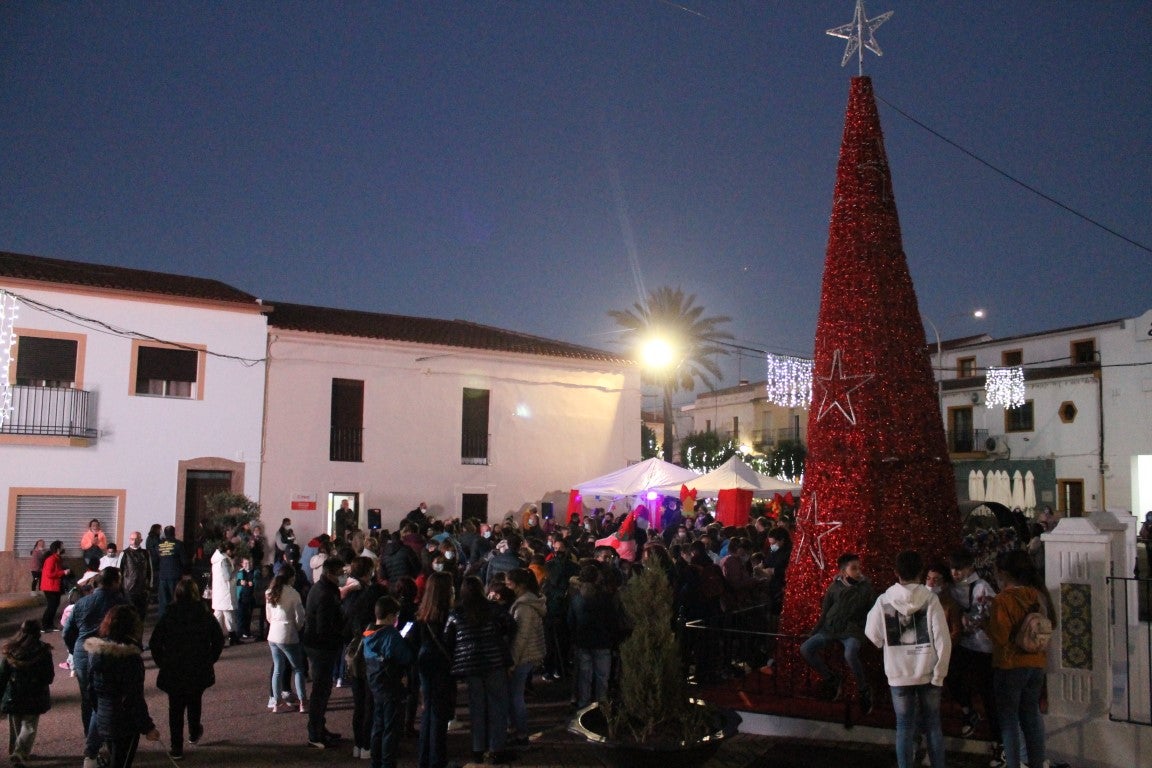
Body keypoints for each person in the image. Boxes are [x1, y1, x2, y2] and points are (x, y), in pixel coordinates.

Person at [865, 550, 952, 768]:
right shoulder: (930, 600)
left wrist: (884, 643)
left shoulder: (884, 600)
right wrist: (940, 672)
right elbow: (943, 638)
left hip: (899, 672)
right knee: (933, 725)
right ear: (921, 572)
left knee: (903, 726)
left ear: (896, 572)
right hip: (928, 671)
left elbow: (872, 634)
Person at [987, 550, 1053, 768]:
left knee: (1009, 722)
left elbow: (1000, 636)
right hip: (1036, 663)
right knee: (1031, 716)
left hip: (1010, 665)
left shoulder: (1004, 599)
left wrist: (984, 623)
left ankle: (1014, 764)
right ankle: (1037, 763)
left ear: (1004, 573)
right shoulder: (1037, 595)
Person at [148, 575, 225, 760]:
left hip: (174, 667)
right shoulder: (204, 613)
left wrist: (162, 662)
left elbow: (154, 642)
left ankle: (176, 747)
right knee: (194, 701)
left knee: (175, 708)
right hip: (197, 665)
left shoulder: (169, 614)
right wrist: (210, 659)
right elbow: (218, 639)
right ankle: (193, 732)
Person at [446, 575, 515, 764]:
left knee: (476, 706)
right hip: (493, 660)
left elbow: (448, 637)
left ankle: (478, 748)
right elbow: (510, 625)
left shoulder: (456, 613)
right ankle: (496, 748)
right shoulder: (493, 609)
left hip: (469, 664)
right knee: (498, 705)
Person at [82, 605, 159, 768]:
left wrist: (99, 710)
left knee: (115, 759)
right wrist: (148, 727)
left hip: (103, 716)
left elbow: (91, 690)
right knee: (122, 762)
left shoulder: (96, 654)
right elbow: (134, 698)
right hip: (124, 723)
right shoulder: (130, 659)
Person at [799, 552, 875, 713]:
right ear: (843, 571)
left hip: (852, 630)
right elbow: (825, 611)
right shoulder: (834, 587)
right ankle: (831, 678)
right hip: (831, 628)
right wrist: (814, 631)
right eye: (854, 568)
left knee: (850, 653)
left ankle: (863, 689)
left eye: (859, 568)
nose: (858, 571)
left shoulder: (865, 587)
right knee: (806, 648)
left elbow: (872, 610)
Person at [64, 567, 127, 734]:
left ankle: (90, 736)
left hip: (82, 652)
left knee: (87, 697)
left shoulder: (82, 602)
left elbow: (67, 632)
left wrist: (74, 649)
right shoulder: (121, 603)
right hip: (109, 653)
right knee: (108, 696)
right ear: (114, 582)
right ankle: (104, 735)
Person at [948, 548, 999, 748]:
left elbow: (979, 617)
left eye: (959, 569)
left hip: (983, 647)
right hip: (962, 644)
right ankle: (969, 711)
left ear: (970, 568)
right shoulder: (952, 588)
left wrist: (962, 621)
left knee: (988, 693)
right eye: (953, 569)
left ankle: (998, 741)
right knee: (952, 677)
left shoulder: (981, 587)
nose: (955, 573)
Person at [342, 556, 388, 759]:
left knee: (359, 702)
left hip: (355, 653)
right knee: (370, 702)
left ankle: (358, 744)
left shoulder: (354, 600)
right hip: (368, 657)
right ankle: (367, 744)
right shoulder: (372, 614)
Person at [363, 596, 416, 768]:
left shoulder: (368, 633)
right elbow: (406, 657)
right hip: (391, 686)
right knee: (391, 729)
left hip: (375, 685)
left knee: (378, 726)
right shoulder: (391, 635)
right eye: (396, 616)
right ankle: (387, 763)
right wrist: (405, 641)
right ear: (390, 616)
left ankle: (375, 762)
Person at [301, 557, 346, 749]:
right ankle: (315, 734)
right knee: (320, 691)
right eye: (340, 573)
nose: (343, 576)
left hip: (318, 645)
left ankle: (320, 728)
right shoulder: (325, 594)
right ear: (329, 573)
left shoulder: (322, 588)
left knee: (323, 691)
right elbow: (324, 626)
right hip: (321, 647)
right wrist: (339, 635)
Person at [414, 571, 455, 768]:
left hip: (424, 663)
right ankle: (437, 760)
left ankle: (425, 758)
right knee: (439, 714)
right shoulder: (449, 616)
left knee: (429, 712)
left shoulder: (421, 615)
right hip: (442, 665)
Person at [0, 619, 54, 765]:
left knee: (15, 725)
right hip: (34, 694)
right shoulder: (43, 650)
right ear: (38, 633)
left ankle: (17, 752)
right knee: (29, 726)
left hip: (13, 694)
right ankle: (20, 752)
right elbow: (49, 676)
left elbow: (3, 675)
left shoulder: (10, 650)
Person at [506, 568, 546, 746]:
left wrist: (512, 662)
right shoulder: (529, 602)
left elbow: (521, 638)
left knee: (516, 696)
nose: (507, 587)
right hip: (528, 653)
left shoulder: (524, 608)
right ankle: (516, 730)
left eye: (509, 583)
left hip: (523, 655)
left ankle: (521, 733)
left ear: (519, 585)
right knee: (515, 694)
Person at [265, 570, 308, 713]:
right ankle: (303, 701)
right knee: (298, 668)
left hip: (273, 634)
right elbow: (300, 615)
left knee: (278, 668)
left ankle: (276, 702)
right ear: (290, 578)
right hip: (288, 634)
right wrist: (297, 627)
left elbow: (268, 616)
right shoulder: (293, 593)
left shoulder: (270, 592)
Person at [120, 532, 152, 622]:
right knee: (130, 614)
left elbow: (150, 570)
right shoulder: (124, 553)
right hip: (128, 589)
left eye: (136, 539)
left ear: (141, 540)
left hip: (142, 589)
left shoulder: (146, 553)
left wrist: (149, 586)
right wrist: (120, 588)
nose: (133, 541)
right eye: (132, 539)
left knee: (141, 614)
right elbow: (119, 571)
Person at [210, 542, 238, 645]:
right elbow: (228, 577)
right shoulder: (224, 560)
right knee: (228, 615)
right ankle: (232, 636)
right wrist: (236, 570)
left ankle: (215, 636)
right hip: (225, 592)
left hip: (218, 591)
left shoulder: (216, 559)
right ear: (228, 550)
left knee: (218, 614)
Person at [156, 526, 187, 617]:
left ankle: (163, 620)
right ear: (174, 533)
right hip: (175, 576)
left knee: (163, 602)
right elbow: (184, 561)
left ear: (165, 534)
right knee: (175, 600)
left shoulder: (159, 545)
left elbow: (156, 559)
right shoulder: (179, 544)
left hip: (162, 576)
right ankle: (175, 619)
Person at [39, 541, 70, 632]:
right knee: (52, 606)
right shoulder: (51, 559)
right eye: (62, 547)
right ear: (57, 549)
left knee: (54, 605)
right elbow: (49, 574)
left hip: (53, 586)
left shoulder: (56, 558)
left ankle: (50, 625)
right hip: (50, 586)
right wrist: (63, 572)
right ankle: (45, 625)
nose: (63, 549)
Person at [234, 557, 257, 640]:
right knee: (240, 616)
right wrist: (240, 582)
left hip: (250, 597)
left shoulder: (254, 572)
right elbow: (234, 582)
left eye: (249, 563)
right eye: (246, 563)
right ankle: (239, 634)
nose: (248, 565)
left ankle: (246, 632)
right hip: (241, 598)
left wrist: (253, 583)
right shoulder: (239, 573)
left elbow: (257, 581)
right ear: (242, 564)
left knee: (248, 616)